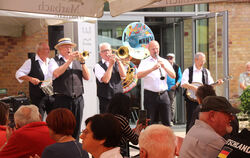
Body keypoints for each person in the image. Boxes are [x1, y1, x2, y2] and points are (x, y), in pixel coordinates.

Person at [48, 38, 90, 139]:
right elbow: (56, 73)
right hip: (62, 98)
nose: (69, 49)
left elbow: (87, 77)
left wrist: (83, 63)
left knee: (77, 125)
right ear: (60, 49)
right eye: (66, 46)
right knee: (64, 126)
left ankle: (74, 147)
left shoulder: (77, 62)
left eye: (70, 46)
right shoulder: (54, 61)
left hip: (78, 99)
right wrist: (69, 61)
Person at [181, 52, 223, 133]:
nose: (203, 63)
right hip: (191, 100)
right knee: (191, 119)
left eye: (204, 61)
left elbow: (210, 85)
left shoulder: (206, 71)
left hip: (203, 100)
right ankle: (189, 138)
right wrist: (194, 88)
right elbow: (183, 83)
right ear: (196, 60)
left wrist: (217, 84)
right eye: (201, 61)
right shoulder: (188, 71)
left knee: (203, 119)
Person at [137, 40, 176, 126]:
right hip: (150, 95)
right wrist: (152, 69)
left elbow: (173, 75)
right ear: (149, 50)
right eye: (153, 49)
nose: (155, 51)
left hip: (164, 94)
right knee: (149, 122)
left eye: (157, 49)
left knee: (167, 121)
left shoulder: (164, 61)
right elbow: (138, 75)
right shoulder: (144, 62)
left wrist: (164, 67)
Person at [15, 42, 50, 116]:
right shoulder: (30, 62)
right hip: (38, 98)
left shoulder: (50, 61)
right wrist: (30, 79)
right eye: (46, 49)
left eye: (49, 49)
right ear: (39, 51)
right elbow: (18, 74)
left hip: (51, 96)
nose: (49, 51)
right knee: (38, 120)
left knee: (53, 120)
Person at [107, 93, 145, 157]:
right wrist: (138, 129)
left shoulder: (107, 118)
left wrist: (136, 129)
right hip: (118, 154)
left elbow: (124, 134)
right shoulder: (121, 119)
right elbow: (135, 141)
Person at [94, 42, 126, 113]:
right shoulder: (98, 66)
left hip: (118, 98)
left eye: (108, 50)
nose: (107, 53)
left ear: (111, 51)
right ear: (100, 54)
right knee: (106, 121)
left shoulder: (117, 63)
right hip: (106, 100)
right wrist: (111, 65)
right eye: (104, 51)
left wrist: (119, 62)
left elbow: (124, 75)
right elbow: (106, 80)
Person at [166, 53, 182, 124]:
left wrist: (176, 85)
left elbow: (180, 77)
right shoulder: (164, 66)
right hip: (164, 88)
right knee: (165, 104)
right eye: (168, 58)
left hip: (172, 88)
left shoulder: (176, 66)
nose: (169, 59)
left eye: (171, 58)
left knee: (171, 104)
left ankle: (171, 120)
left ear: (173, 59)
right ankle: (166, 119)